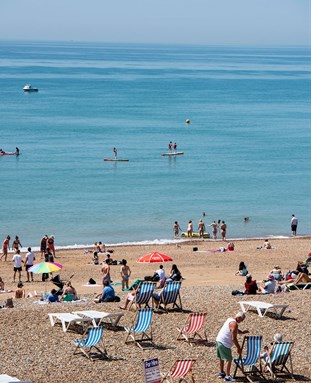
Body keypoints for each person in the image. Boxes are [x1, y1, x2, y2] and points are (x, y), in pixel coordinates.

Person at [216, 312, 248, 382]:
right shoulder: (234, 324)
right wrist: (238, 348)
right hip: (224, 343)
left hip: (218, 340)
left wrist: (241, 332)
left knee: (221, 357)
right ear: (238, 317)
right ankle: (227, 377)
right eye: (241, 320)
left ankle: (221, 372)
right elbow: (234, 338)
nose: (241, 321)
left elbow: (233, 330)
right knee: (228, 359)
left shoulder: (229, 319)